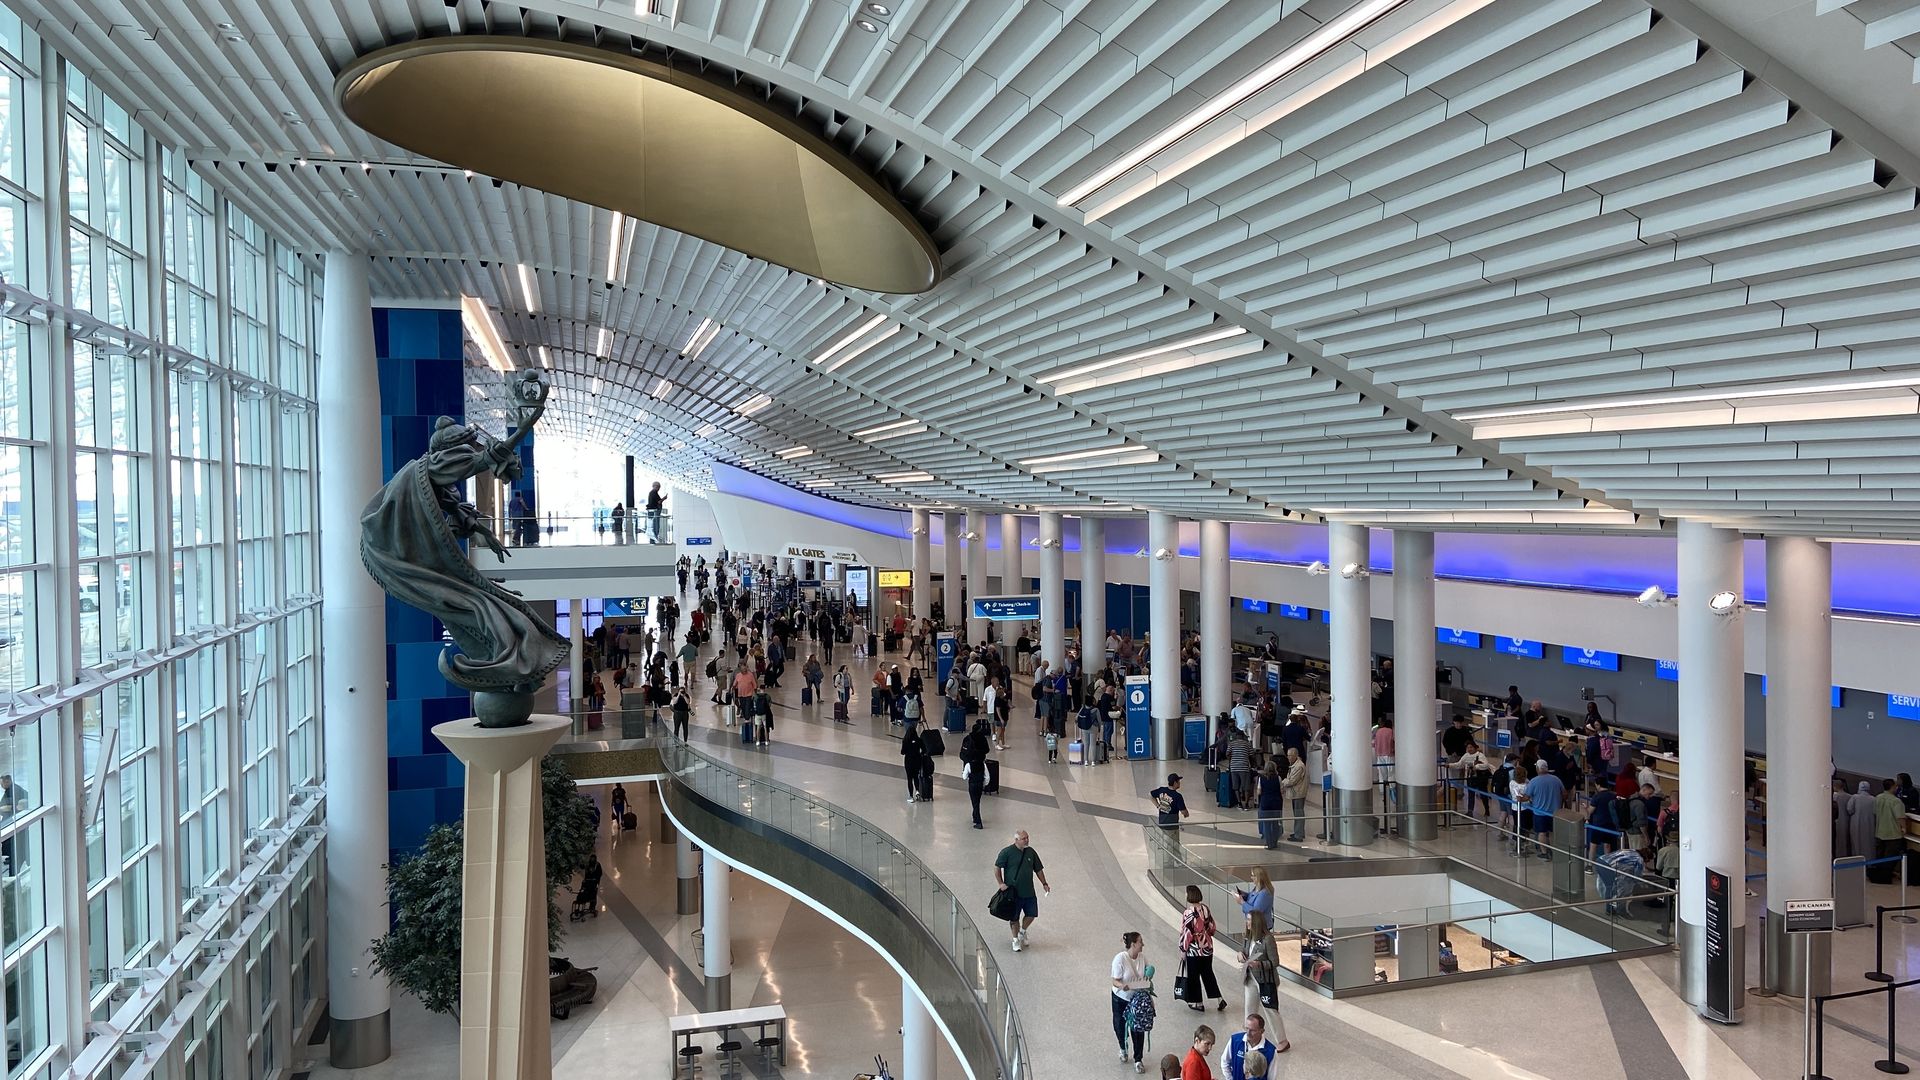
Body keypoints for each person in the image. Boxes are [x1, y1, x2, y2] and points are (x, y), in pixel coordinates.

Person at [993, 830, 1049, 951]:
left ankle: (1022, 932)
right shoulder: (1007, 852)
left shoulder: (1031, 852)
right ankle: (1015, 940)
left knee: (1032, 914)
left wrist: (1044, 883)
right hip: (1013, 893)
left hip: (1029, 891)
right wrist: (1001, 883)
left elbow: (1038, 869)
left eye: (1027, 837)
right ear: (1016, 840)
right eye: (1024, 838)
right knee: (1014, 918)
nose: (1027, 840)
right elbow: (997, 867)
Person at [1177, 885, 1230, 1012]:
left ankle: (1197, 1002)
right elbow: (1212, 927)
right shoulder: (1205, 909)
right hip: (1207, 948)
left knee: (1194, 976)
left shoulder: (1188, 912)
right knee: (1208, 974)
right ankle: (1219, 999)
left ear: (1189, 895)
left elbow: (1187, 933)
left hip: (1194, 950)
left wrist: (1183, 949)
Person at [1238, 909, 1282, 1050]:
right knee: (1249, 1009)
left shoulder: (1267, 939)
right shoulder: (1248, 937)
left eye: (1250, 920)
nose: (1247, 922)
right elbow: (1244, 952)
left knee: (1270, 1010)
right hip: (1250, 978)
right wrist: (1240, 955)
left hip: (1265, 980)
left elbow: (1275, 962)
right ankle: (1249, 1036)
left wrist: (1259, 964)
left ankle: (1282, 1040)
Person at [1111, 931, 1152, 1070]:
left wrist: (1149, 974)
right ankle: (1123, 1048)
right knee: (1120, 1024)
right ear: (1133, 944)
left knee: (1138, 1027)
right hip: (1121, 998)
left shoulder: (1142, 957)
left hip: (1136, 998)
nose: (1142, 944)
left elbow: (1147, 972)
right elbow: (1114, 980)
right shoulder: (1120, 959)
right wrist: (1123, 986)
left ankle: (1138, 1059)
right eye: (1140, 942)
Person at [1219, 1013, 1281, 1080]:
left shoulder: (1271, 1051)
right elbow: (1225, 1061)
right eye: (1246, 1028)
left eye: (1252, 1030)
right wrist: (1230, 1078)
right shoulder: (1235, 1040)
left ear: (1262, 1031)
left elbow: (1272, 1077)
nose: (1248, 1033)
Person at [1524, 762, 1564, 859]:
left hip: (1539, 813)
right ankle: (1554, 852)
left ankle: (1545, 852)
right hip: (1555, 812)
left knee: (1542, 833)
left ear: (1538, 769)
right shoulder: (1556, 779)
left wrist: (1519, 799)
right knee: (1552, 832)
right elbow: (1564, 793)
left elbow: (1526, 797)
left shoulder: (1533, 781)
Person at [1873, 779, 1908, 883]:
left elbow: (1875, 812)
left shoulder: (1878, 798)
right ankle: (1885, 877)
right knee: (1890, 857)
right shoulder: (1896, 801)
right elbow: (1900, 817)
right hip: (1893, 833)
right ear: (1892, 787)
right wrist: (1904, 828)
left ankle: (1878, 875)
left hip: (1879, 831)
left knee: (1880, 856)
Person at [961, 719, 992, 829]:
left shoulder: (967, 739)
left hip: (971, 778)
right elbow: (987, 776)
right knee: (977, 800)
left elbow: (964, 776)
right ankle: (975, 816)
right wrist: (985, 783)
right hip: (980, 780)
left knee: (974, 801)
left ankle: (977, 819)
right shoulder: (982, 739)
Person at [1278, 749, 1308, 843]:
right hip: (1296, 793)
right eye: (1288, 755)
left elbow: (1291, 781)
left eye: (1290, 755)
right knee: (1297, 813)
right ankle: (1298, 832)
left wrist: (1282, 782)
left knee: (1299, 814)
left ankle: (1298, 835)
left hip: (1298, 793)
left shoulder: (1299, 766)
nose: (1288, 757)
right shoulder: (1294, 765)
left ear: (1295, 755)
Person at [1845, 781, 1878, 865]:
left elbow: (1849, 809)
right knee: (1869, 843)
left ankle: (1857, 862)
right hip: (1870, 824)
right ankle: (1869, 863)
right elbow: (1876, 812)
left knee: (1856, 842)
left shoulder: (1855, 797)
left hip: (1856, 824)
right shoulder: (1873, 799)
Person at [1255, 761, 1285, 849]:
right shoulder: (1278, 778)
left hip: (1265, 803)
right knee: (1276, 824)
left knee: (1267, 824)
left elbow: (1259, 792)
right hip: (1276, 803)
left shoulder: (1262, 778)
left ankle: (1269, 843)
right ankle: (1275, 843)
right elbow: (1282, 790)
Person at [1151, 774, 1190, 842]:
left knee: (1163, 844)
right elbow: (1184, 812)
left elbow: (1150, 795)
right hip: (1172, 827)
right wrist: (1186, 814)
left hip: (1162, 823)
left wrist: (1158, 806)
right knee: (1173, 847)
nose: (1180, 783)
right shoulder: (1177, 796)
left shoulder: (1162, 790)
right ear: (1175, 783)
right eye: (1178, 781)